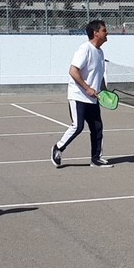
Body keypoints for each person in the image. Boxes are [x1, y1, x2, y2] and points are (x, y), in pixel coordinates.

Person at [51, 19, 111, 168]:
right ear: (95, 33)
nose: (107, 32)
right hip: (78, 95)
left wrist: (103, 90)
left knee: (97, 127)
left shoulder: (100, 52)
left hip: (93, 98)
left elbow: (99, 75)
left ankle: (96, 158)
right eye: (104, 30)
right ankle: (58, 148)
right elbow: (73, 71)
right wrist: (87, 88)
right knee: (77, 126)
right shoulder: (85, 49)